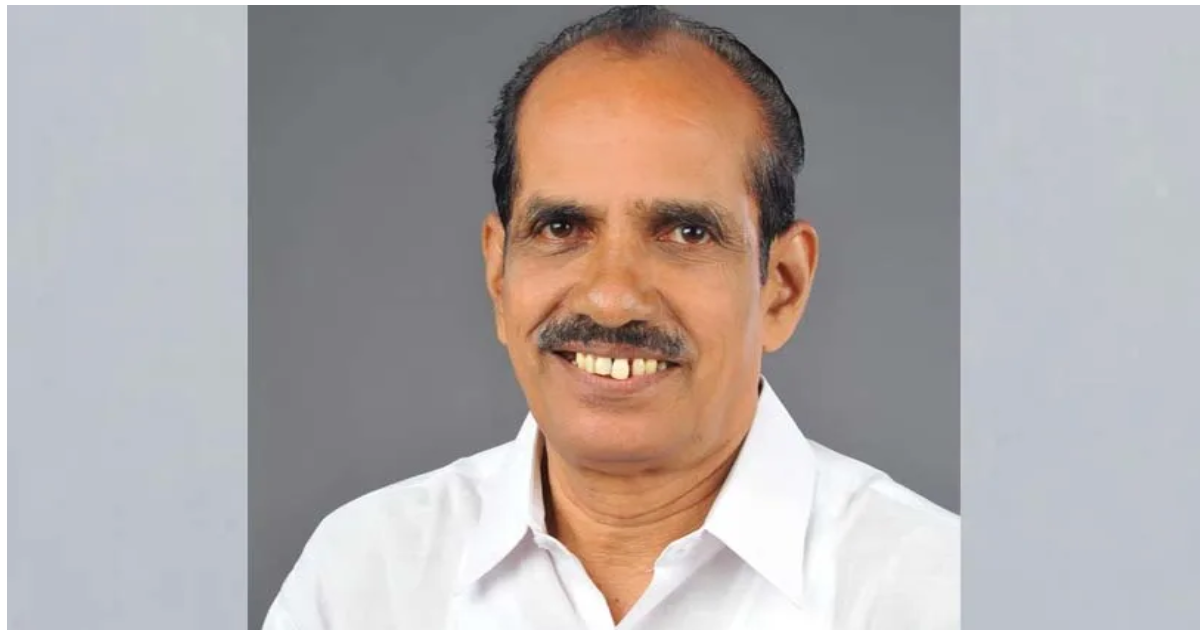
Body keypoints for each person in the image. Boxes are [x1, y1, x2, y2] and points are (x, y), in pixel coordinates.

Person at [263, 6, 959, 629]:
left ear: (782, 286)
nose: (612, 298)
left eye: (686, 232)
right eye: (562, 227)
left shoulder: (940, 593)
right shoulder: (364, 578)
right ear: (499, 275)